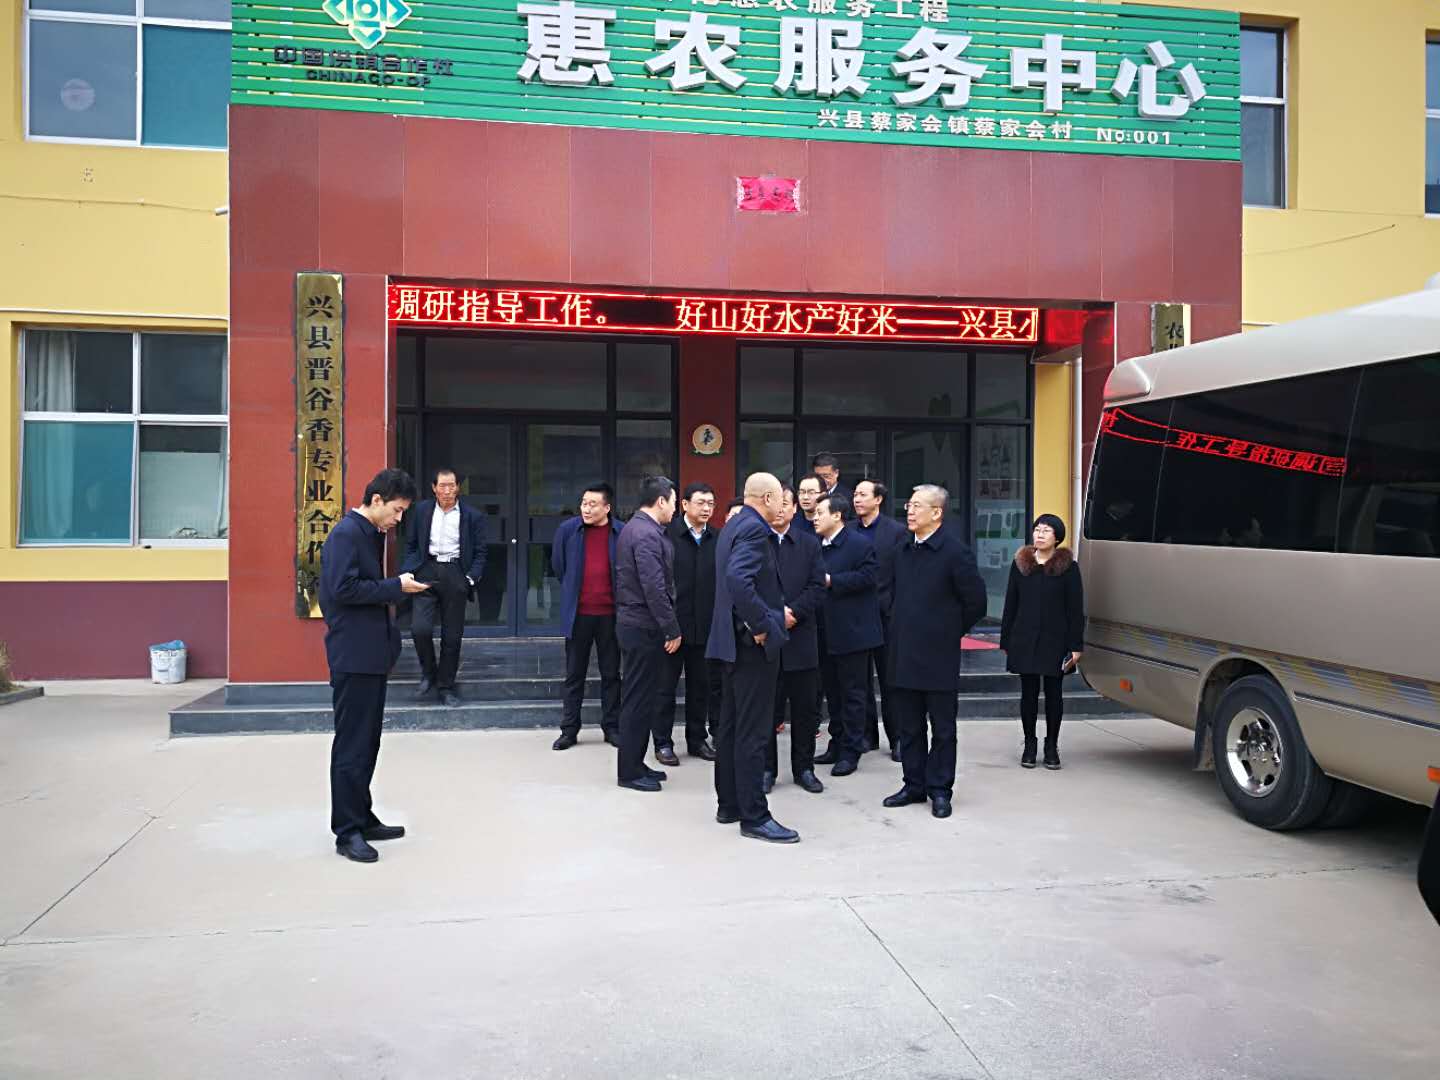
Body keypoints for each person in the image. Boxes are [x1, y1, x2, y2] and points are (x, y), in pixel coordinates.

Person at [319, 468, 430, 864]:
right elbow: (343, 589)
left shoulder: (369, 534)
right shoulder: (347, 535)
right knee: (352, 744)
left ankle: (362, 817)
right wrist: (396, 586)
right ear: (377, 500)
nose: (398, 519)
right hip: (353, 655)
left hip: (370, 656)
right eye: (396, 510)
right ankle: (346, 831)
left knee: (367, 742)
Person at [885, 484, 988, 819]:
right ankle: (913, 784)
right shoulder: (902, 549)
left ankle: (940, 789)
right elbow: (889, 593)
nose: (910, 511)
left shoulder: (955, 553)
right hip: (904, 652)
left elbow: (976, 603)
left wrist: (947, 630)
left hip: (938, 656)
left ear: (937, 512)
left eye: (917, 505)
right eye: (909, 505)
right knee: (909, 726)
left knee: (942, 729)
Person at [707, 472, 797, 843]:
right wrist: (761, 624)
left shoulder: (732, 525)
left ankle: (729, 804)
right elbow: (739, 581)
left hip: (730, 645)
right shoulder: (756, 530)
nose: (783, 506)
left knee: (730, 727)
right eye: (781, 499)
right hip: (749, 646)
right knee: (753, 732)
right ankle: (754, 816)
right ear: (768, 498)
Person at [613, 476, 683, 792]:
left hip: (639, 623)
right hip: (642, 626)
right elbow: (654, 587)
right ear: (661, 501)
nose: (674, 509)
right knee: (638, 701)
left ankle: (636, 762)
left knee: (642, 699)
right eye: (673, 502)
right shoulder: (645, 534)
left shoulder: (641, 529)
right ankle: (628, 772)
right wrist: (671, 627)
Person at [1001, 514, 1085, 770]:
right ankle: (1030, 744)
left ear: (1057, 538)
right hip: (1024, 637)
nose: (1039, 534)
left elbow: (1075, 609)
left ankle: (1051, 746)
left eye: (1046, 531)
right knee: (1027, 693)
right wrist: (1006, 639)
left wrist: (1076, 646)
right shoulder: (1021, 564)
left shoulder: (1068, 568)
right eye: (1037, 530)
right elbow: (1011, 603)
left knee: (1053, 694)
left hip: (1055, 640)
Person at [400, 467, 487, 707]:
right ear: (434, 488)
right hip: (426, 570)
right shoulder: (421, 511)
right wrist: (409, 570)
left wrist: (469, 579)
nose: (447, 490)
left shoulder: (472, 516)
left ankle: (446, 686)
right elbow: (411, 545)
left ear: (458, 487)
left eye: (451, 485)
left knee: (452, 636)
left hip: (455, 572)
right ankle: (429, 673)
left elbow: (480, 553)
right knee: (419, 629)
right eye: (442, 486)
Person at [812, 493, 884, 778]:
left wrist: (833, 581)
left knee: (853, 694)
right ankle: (836, 742)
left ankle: (851, 750)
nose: (815, 517)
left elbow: (870, 577)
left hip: (854, 633)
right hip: (825, 632)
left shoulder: (859, 544)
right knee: (833, 693)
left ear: (837, 515)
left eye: (820, 512)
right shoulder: (816, 545)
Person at [763, 483, 828, 795]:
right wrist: (774, 616)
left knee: (804, 711)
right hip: (765, 640)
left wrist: (793, 613)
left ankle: (804, 768)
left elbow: (817, 587)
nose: (779, 509)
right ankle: (766, 769)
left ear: (793, 509)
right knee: (766, 712)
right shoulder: (756, 542)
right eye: (775, 502)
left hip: (801, 639)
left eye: (785, 503)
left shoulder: (808, 543)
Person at [550, 484, 624, 751]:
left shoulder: (621, 532)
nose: (587, 509)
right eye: (584, 503)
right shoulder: (568, 530)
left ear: (607, 508)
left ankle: (612, 727)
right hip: (578, 615)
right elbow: (559, 566)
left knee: (611, 674)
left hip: (611, 615)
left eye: (593, 504)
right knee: (574, 675)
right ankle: (569, 730)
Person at [659, 483, 720, 763]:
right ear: (684, 505)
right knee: (665, 688)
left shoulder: (717, 539)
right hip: (673, 628)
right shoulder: (667, 536)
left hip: (705, 628)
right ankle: (663, 742)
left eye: (710, 503)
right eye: (700, 503)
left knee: (700, 689)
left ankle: (697, 740)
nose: (706, 508)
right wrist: (666, 625)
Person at [853, 478, 907, 760]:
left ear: (878, 499)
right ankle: (866, 735)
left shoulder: (896, 532)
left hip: (887, 615)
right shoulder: (848, 530)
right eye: (855, 494)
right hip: (856, 616)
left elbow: (903, 574)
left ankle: (897, 738)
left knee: (890, 680)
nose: (857, 499)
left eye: (863, 494)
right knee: (860, 680)